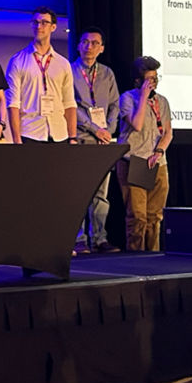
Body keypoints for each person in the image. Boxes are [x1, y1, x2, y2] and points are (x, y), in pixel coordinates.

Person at [71, 27, 121, 254]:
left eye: (94, 43)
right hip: (82, 138)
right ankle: (79, 239)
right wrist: (94, 129)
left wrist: (107, 131)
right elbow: (71, 106)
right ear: (79, 45)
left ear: (101, 49)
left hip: (104, 141)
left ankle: (100, 238)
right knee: (80, 190)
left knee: (101, 193)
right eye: (85, 42)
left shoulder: (107, 74)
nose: (89, 47)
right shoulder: (69, 71)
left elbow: (114, 106)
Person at [116, 56, 173, 252]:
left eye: (156, 79)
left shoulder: (162, 102)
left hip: (157, 162)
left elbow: (168, 133)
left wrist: (159, 152)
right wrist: (143, 97)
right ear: (139, 81)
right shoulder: (127, 98)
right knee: (138, 217)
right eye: (150, 79)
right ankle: (136, 259)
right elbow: (137, 125)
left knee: (155, 217)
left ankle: (154, 258)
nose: (154, 83)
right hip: (135, 161)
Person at [5, 7, 77, 144]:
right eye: (35, 22)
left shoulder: (63, 63)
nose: (39, 26)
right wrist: (16, 139)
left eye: (44, 22)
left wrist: (72, 137)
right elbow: (13, 103)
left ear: (53, 27)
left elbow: (69, 102)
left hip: (60, 134)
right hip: (30, 133)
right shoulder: (18, 61)